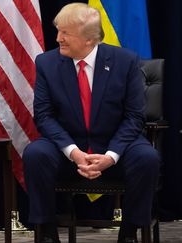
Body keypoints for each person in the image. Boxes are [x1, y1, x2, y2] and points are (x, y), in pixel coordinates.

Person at [22, 3, 159, 243]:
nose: (58, 38)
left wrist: (111, 155)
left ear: (89, 40)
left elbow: (134, 117)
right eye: (58, 31)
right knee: (35, 153)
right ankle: (46, 232)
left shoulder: (125, 61)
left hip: (115, 147)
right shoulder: (47, 63)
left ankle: (129, 232)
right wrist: (74, 152)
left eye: (66, 33)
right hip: (67, 149)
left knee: (147, 158)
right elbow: (44, 115)